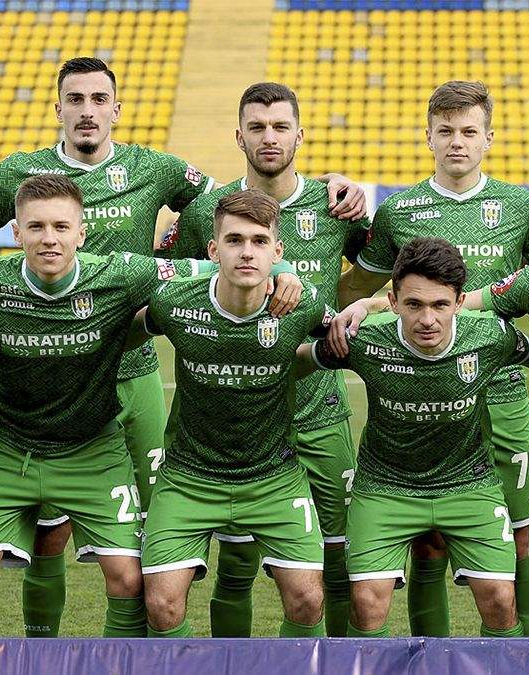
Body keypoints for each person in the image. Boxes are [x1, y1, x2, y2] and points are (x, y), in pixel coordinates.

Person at [0, 57, 356, 637]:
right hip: (62, 371)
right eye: (75, 100)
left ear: (116, 110)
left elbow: (240, 203)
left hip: (137, 366)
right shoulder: (17, 173)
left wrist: (320, 193)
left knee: (149, 541)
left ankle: (152, 649)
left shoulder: (157, 168)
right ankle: (44, 646)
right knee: (49, 533)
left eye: (98, 99)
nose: (87, 111)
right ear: (58, 109)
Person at [334, 80, 529, 635]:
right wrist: (359, 304)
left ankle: (520, 657)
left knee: (518, 535)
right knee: (426, 541)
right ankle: (427, 656)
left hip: (500, 392)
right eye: (446, 131)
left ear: (488, 139)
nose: (458, 141)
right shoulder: (399, 210)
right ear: (428, 137)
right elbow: (367, 286)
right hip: (427, 394)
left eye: (469, 131)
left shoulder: (523, 209)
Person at [161, 81, 369, 637]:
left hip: (318, 413)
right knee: (236, 566)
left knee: (337, 564)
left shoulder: (337, 206)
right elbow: (167, 277)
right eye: (257, 127)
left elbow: (381, 270)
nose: (269, 137)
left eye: (280, 127)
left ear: (300, 135)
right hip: (234, 420)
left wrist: (357, 307)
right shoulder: (208, 212)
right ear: (239, 136)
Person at [301, 236, 529, 638]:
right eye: (414, 305)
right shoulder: (364, 339)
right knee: (367, 602)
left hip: (469, 486)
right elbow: (299, 361)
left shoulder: (490, 336)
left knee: (500, 598)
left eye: (440, 305)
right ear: (393, 302)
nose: (427, 319)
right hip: (385, 488)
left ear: (459, 302)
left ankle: (510, 663)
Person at [139, 190, 335, 638]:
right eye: (235, 240)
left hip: (273, 478)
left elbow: (352, 327)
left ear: (277, 253)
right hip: (189, 478)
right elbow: (127, 331)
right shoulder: (174, 302)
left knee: (308, 600)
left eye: (259, 241)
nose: (247, 252)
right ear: (213, 250)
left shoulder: (302, 305)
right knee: (161, 605)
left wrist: (368, 306)